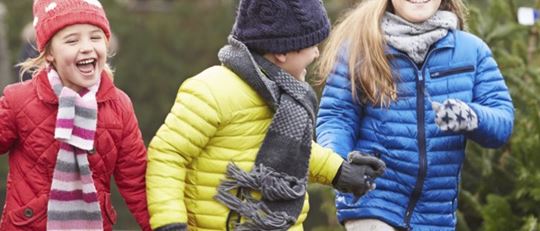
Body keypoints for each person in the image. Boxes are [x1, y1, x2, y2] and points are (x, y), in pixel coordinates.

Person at [145, 0, 386, 230]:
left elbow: (295, 151)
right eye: (311, 45)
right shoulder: (211, 90)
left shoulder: (288, 94)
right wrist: (170, 222)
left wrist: (339, 171)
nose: (315, 54)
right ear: (282, 52)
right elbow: (168, 155)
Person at [316, 0, 514, 230]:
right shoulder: (360, 46)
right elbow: (337, 117)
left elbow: (503, 120)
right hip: (371, 203)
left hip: (435, 217)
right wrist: (339, 167)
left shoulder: (472, 51)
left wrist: (472, 117)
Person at [0, 0, 151, 230]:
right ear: (49, 53)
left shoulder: (119, 106)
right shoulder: (19, 101)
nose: (87, 47)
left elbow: (137, 182)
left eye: (95, 37)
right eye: (72, 40)